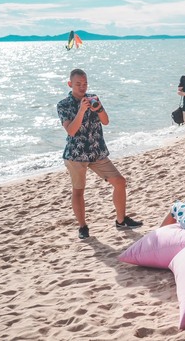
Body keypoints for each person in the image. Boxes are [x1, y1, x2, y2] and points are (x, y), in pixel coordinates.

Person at [57, 68, 143, 239]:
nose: (82, 87)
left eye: (85, 83)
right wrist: (81, 110)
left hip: (97, 152)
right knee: (78, 191)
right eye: (78, 84)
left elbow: (106, 121)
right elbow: (71, 131)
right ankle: (83, 227)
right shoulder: (63, 105)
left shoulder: (93, 98)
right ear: (70, 84)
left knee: (119, 181)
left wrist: (99, 108)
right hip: (76, 155)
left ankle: (121, 220)